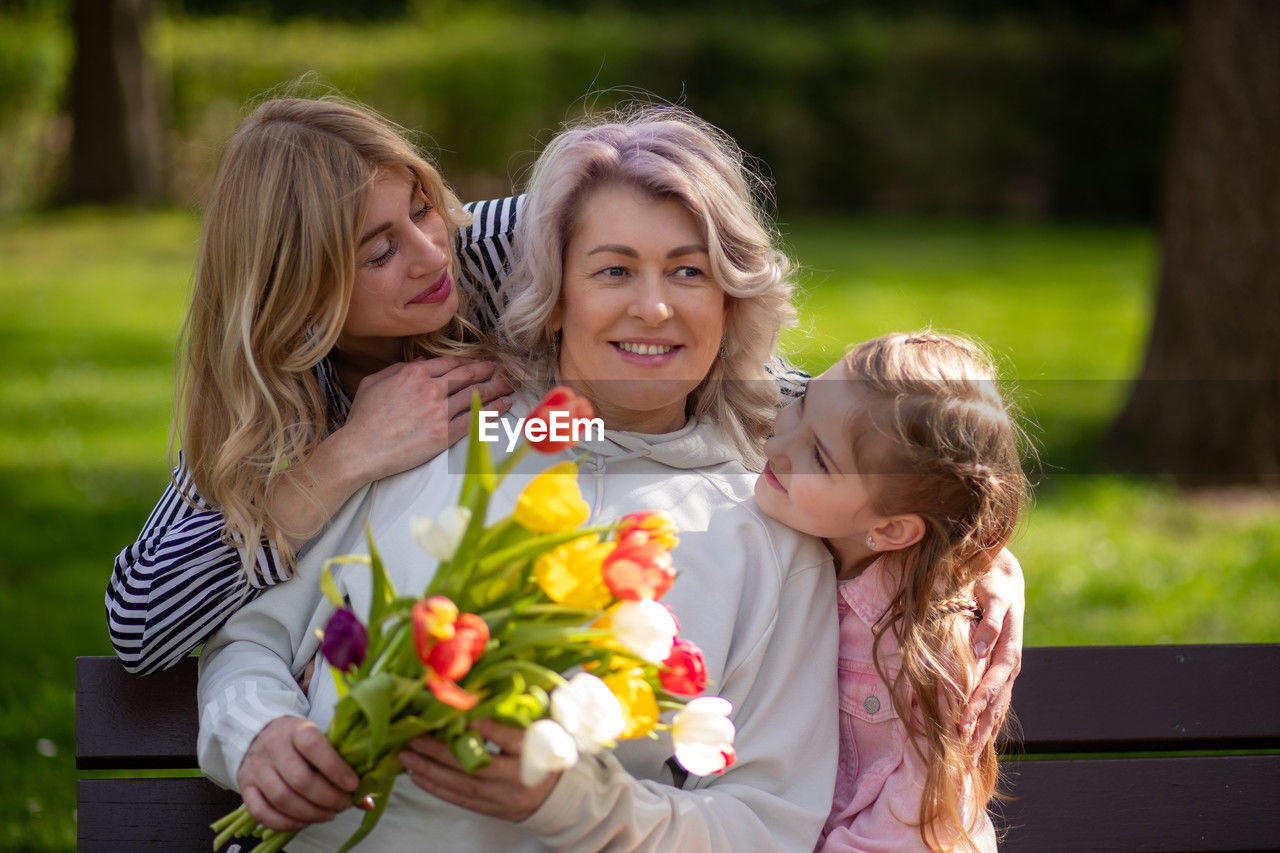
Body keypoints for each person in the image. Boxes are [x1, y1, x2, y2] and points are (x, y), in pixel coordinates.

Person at [197, 108, 1023, 851]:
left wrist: (578, 804)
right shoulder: (429, 432)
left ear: (731, 301)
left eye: (689, 272)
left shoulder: (772, 524)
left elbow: (766, 822)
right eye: (615, 270)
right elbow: (253, 640)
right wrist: (259, 733)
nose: (655, 308)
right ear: (555, 296)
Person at [105, 96, 517, 675]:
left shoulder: (492, 253)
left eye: (422, 210)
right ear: (298, 292)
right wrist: (348, 455)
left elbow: (655, 191)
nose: (431, 255)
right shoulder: (273, 398)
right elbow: (138, 621)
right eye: (380, 252)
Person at [754, 331, 1028, 852]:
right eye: (800, 405)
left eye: (818, 457)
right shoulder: (803, 532)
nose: (775, 444)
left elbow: (918, 827)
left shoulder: (927, 650)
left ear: (892, 529)